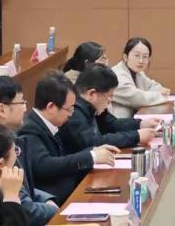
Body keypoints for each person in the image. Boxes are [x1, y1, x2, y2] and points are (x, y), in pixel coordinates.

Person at [17, 71, 117, 204]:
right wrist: (92, 156)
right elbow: (44, 165)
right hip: (54, 201)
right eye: (69, 109)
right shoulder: (30, 129)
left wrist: (93, 150)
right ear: (51, 107)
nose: (71, 114)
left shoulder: (51, 123)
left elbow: (65, 157)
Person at [0, 76, 58, 226]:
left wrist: (47, 200)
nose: (26, 108)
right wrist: (53, 210)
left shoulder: (6, 138)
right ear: (2, 109)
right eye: (22, 102)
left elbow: (23, 188)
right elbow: (22, 208)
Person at [60, 63, 160, 152]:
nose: (110, 100)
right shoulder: (73, 111)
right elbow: (93, 142)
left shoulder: (92, 106)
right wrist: (136, 136)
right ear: (92, 94)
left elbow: (112, 124)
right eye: (109, 96)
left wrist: (141, 124)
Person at [109, 37, 169, 119]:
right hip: (118, 123)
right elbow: (137, 98)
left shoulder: (138, 73)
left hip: (132, 120)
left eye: (145, 56)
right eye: (137, 55)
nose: (141, 61)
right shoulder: (117, 75)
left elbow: (153, 85)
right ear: (125, 57)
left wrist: (158, 91)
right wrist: (160, 95)